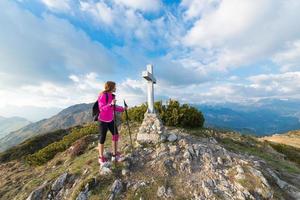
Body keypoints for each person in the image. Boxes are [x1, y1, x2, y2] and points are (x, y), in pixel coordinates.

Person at [97, 81, 127, 166]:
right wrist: (110, 104)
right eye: (115, 86)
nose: (116, 88)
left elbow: (114, 107)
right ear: (110, 87)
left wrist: (123, 109)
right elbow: (101, 108)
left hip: (110, 119)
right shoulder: (103, 95)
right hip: (102, 120)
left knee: (115, 135)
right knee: (102, 138)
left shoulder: (112, 96)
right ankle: (101, 157)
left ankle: (115, 155)